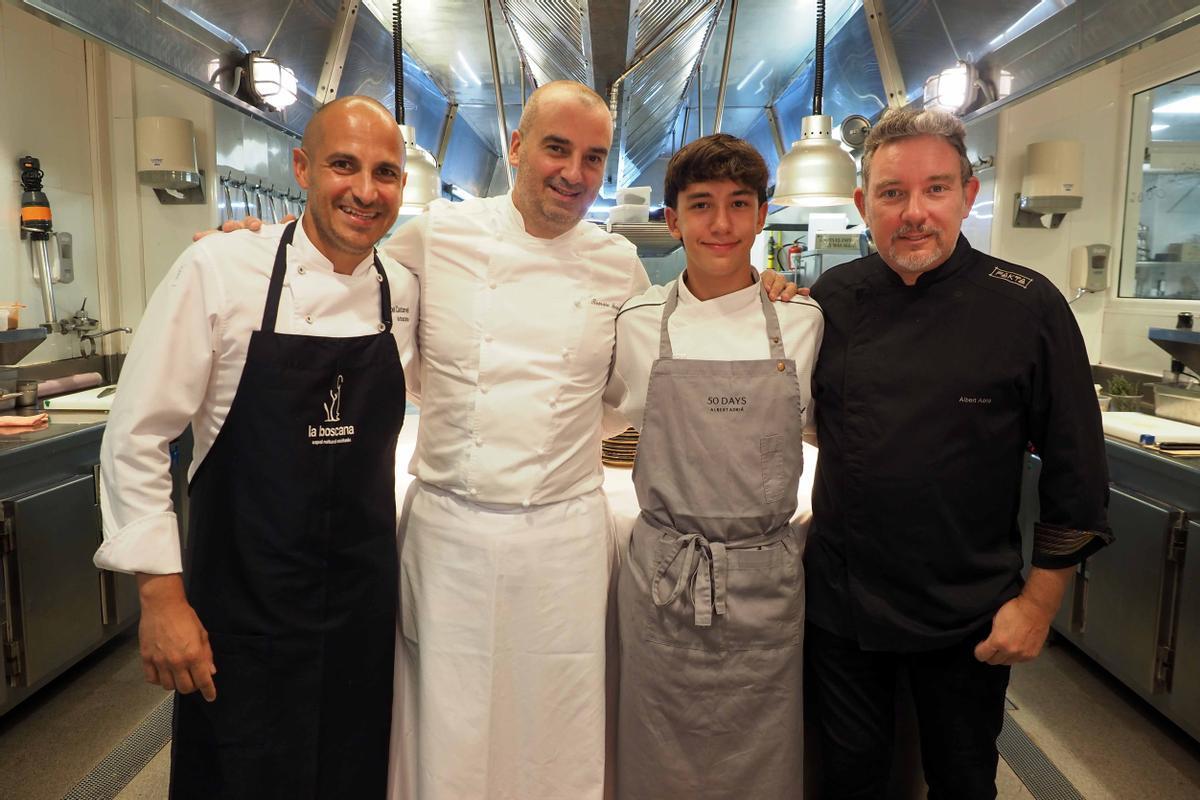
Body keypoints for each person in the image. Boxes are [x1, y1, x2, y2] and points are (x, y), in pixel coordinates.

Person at [215, 79, 794, 799]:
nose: (574, 173)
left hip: (564, 538)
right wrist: (257, 249)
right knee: (446, 725)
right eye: (556, 148)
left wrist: (761, 289)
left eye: (593, 156)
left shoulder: (617, 262)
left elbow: (630, 388)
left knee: (559, 726)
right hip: (449, 529)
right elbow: (347, 291)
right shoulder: (433, 238)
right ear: (518, 146)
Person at [94, 96, 419, 799]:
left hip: (361, 612)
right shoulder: (219, 270)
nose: (365, 191)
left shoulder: (405, 293)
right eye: (343, 165)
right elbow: (137, 435)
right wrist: (160, 598)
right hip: (243, 609)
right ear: (302, 167)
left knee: (350, 773)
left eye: (385, 173)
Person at [804, 107, 1113, 798]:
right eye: (892, 193)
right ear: (864, 204)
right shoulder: (832, 298)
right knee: (848, 781)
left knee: (963, 782)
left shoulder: (1028, 307)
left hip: (968, 614)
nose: (914, 213)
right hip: (844, 607)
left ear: (968, 195)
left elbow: (1078, 471)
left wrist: (1038, 602)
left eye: (935, 189)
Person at [607, 134, 823, 799]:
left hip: (766, 578)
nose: (722, 224)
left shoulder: (804, 319)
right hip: (665, 575)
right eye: (701, 206)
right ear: (673, 221)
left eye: (739, 204)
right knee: (655, 752)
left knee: (762, 755)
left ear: (763, 214)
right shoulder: (636, 321)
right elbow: (603, 425)